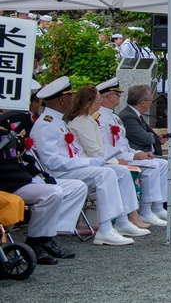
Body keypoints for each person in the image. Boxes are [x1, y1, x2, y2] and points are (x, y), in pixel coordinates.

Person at [27, 77, 141, 246]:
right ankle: (105, 228)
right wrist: (87, 163)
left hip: (68, 168)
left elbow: (72, 152)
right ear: (62, 100)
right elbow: (52, 162)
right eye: (70, 97)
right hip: (58, 173)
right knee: (106, 174)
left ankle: (123, 221)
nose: (73, 100)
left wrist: (90, 161)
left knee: (120, 171)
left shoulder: (58, 121)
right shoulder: (46, 124)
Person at [0, 114, 87, 265]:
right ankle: (35, 241)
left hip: (22, 178)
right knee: (52, 193)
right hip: (9, 183)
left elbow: (24, 157)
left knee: (76, 186)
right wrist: (29, 178)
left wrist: (39, 175)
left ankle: (47, 238)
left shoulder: (11, 124)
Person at [64, 86, 151, 235]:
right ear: (90, 103)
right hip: (85, 165)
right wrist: (115, 161)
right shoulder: (82, 121)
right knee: (118, 172)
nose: (100, 102)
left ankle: (125, 218)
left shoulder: (87, 120)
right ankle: (120, 220)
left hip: (92, 163)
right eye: (99, 100)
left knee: (122, 171)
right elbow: (94, 152)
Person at [96, 78, 171, 225]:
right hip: (114, 158)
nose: (121, 97)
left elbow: (123, 143)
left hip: (124, 155)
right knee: (154, 166)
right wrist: (134, 155)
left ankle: (157, 207)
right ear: (109, 97)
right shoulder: (100, 118)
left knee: (162, 164)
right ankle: (145, 210)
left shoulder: (113, 117)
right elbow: (107, 149)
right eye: (118, 94)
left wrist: (137, 153)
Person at [121, 85, 171, 216]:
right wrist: (154, 138)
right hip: (139, 155)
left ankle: (168, 203)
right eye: (150, 100)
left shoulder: (135, 114)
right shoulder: (128, 116)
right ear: (142, 102)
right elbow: (145, 138)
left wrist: (155, 138)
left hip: (144, 153)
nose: (152, 102)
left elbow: (148, 136)